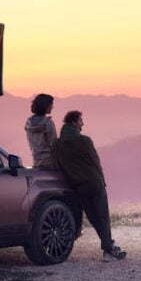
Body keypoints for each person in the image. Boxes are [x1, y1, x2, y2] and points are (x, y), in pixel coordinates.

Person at [53, 110, 126, 261]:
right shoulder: (85, 141)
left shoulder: (58, 144)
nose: (83, 124)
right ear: (74, 122)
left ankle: (109, 246)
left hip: (78, 186)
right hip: (94, 183)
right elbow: (95, 162)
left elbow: (59, 164)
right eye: (81, 120)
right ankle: (108, 250)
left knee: (93, 218)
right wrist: (102, 181)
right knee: (103, 217)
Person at [24, 93, 58, 169]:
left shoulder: (28, 123)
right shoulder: (48, 123)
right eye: (51, 104)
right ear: (46, 106)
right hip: (50, 163)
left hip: (36, 162)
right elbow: (54, 145)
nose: (52, 107)